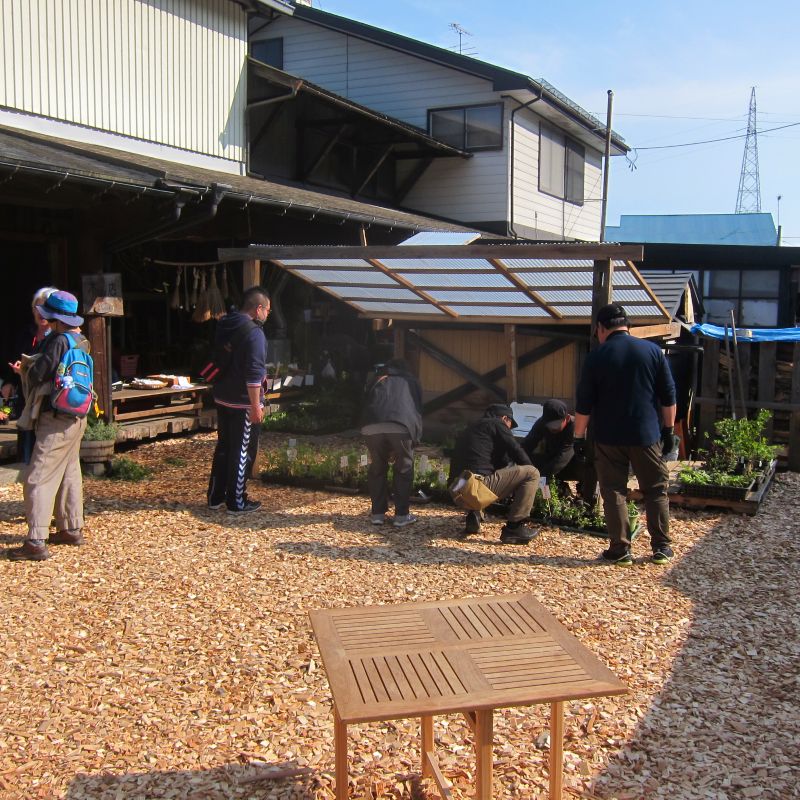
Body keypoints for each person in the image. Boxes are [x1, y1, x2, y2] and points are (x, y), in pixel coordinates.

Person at [574, 303, 678, 567]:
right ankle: (662, 548)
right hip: (646, 434)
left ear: (601, 328)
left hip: (608, 436)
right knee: (655, 490)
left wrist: (578, 438)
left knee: (613, 491)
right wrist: (669, 431)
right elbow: (669, 396)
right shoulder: (652, 351)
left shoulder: (596, 357)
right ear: (627, 326)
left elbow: (584, 404)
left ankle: (620, 549)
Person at [9, 291, 89, 561]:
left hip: (55, 418)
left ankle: (35, 540)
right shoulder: (81, 340)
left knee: (38, 476)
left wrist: (24, 368)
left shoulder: (57, 341)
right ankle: (70, 528)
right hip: (77, 415)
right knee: (69, 472)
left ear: (53, 318)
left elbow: (39, 374)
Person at [206, 287, 270, 514]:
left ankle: (215, 496)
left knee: (224, 446)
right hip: (243, 401)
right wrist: (255, 406)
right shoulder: (255, 333)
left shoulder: (225, 323)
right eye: (267, 310)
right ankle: (237, 501)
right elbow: (253, 373)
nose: (268, 315)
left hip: (222, 395)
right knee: (242, 450)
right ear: (258, 308)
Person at [449, 403, 540, 544]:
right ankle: (514, 528)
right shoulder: (497, 424)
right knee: (532, 473)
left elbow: (492, 463)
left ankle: (475, 514)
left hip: (456, 491)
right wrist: (536, 482)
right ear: (505, 419)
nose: (509, 430)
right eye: (510, 425)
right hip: (474, 490)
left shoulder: (472, 428)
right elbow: (517, 451)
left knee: (481, 471)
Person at [361, 358, 423, 528]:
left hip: (371, 426)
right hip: (402, 425)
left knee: (377, 467)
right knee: (404, 468)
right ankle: (401, 516)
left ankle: (377, 514)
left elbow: (367, 403)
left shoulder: (377, 379)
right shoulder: (411, 381)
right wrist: (415, 438)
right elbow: (417, 410)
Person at [9, 286, 57, 463]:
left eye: (45, 308)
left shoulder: (57, 338)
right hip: (26, 396)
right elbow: (16, 357)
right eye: (37, 307)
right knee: (26, 442)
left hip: (45, 398)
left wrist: (27, 370)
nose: (41, 312)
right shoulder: (26, 334)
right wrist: (12, 377)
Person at [522, 398, 597, 502]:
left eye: (556, 425)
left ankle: (585, 499)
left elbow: (563, 457)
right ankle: (558, 491)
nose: (552, 428)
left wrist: (542, 477)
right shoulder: (542, 423)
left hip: (575, 464)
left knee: (590, 468)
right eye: (549, 425)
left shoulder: (575, 427)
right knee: (534, 461)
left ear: (567, 418)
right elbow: (527, 444)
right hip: (554, 460)